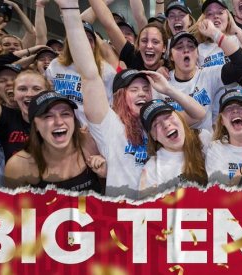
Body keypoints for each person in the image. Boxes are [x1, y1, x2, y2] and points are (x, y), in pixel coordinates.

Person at [55, 0, 206, 198]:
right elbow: (89, 74)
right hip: (122, 221)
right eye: (133, 89)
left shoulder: (159, 124)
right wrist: (70, 11)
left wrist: (169, 89)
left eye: (146, 89)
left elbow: (199, 115)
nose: (142, 93)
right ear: (120, 97)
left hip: (160, 217)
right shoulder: (110, 126)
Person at [4, 91, 105, 193]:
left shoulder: (90, 143)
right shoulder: (18, 166)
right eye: (48, 116)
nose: (59, 122)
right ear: (35, 126)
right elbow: (17, 208)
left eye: (65, 114)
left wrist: (106, 175)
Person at [157, 29, 242, 131]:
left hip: (205, 143)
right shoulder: (162, 81)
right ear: (171, 56)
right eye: (179, 47)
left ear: (197, 54)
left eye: (191, 46)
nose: (186, 50)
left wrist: (215, 33)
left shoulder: (207, 75)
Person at [45, 21, 116, 126]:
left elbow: (110, 108)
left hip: (90, 133)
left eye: (90, 40)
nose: (84, 43)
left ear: (95, 45)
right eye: (79, 38)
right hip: (60, 126)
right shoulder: (56, 65)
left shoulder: (107, 71)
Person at [139, 100, 210, 194]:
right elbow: (146, 207)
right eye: (156, 124)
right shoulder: (152, 169)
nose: (166, 124)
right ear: (153, 136)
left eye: (168, 117)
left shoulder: (204, 138)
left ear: (179, 117)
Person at [89, 0, 167, 71]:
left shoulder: (172, 64)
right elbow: (109, 24)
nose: (149, 46)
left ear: (164, 47)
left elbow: (140, 17)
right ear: (138, 44)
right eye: (144, 41)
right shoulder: (133, 58)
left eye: (155, 42)